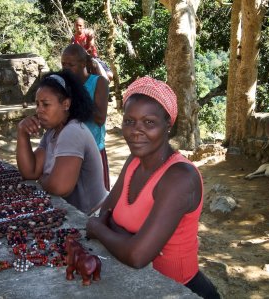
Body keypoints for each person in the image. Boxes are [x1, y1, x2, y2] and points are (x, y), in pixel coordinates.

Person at [86, 77, 221, 298]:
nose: (135, 131)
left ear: (168, 125)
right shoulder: (134, 161)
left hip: (180, 290)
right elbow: (106, 213)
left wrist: (99, 229)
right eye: (129, 121)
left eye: (149, 122)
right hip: (139, 284)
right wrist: (129, 238)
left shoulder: (180, 177)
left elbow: (137, 256)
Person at [16, 70, 107, 215]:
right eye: (37, 104)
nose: (39, 111)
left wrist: (43, 180)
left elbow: (60, 187)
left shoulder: (72, 131)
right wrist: (22, 133)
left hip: (92, 217)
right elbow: (30, 171)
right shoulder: (52, 133)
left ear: (65, 104)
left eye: (46, 105)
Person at [61, 44, 111, 191]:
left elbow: (100, 117)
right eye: (63, 64)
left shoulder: (99, 82)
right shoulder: (63, 85)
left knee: (98, 200)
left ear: (83, 64)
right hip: (69, 150)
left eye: (71, 64)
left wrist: (76, 95)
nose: (65, 68)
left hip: (94, 151)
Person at [71, 17, 113, 82]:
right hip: (82, 61)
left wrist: (84, 53)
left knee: (109, 75)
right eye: (77, 25)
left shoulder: (89, 33)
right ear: (74, 26)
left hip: (93, 57)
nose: (78, 27)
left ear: (83, 26)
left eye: (80, 25)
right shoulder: (73, 38)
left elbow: (91, 47)